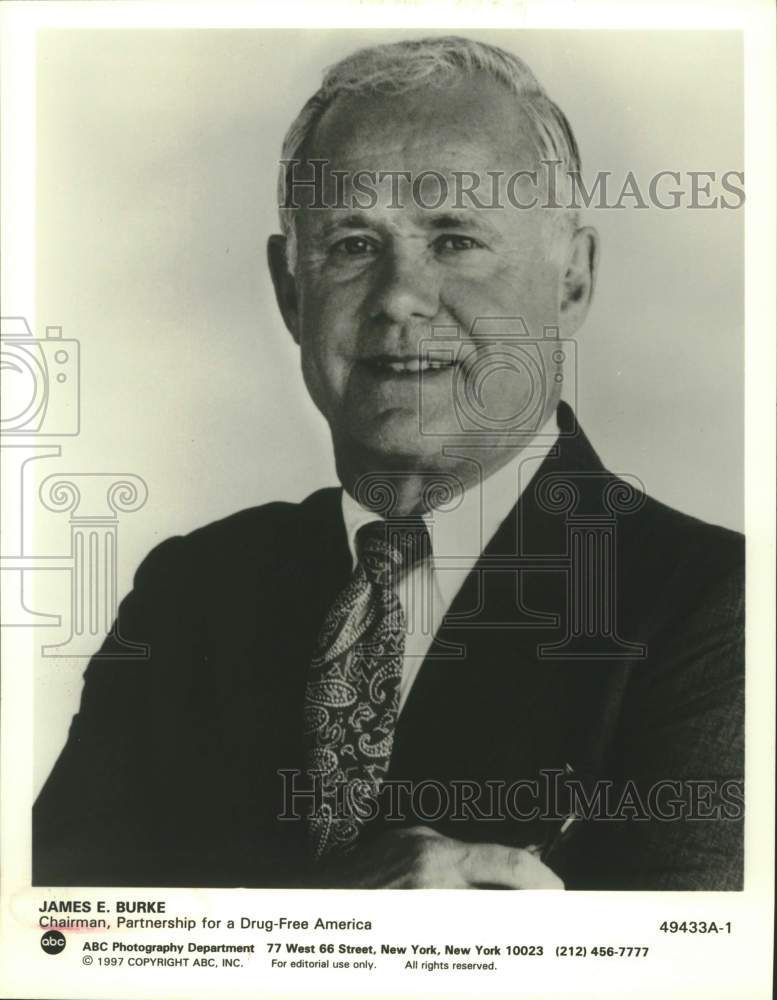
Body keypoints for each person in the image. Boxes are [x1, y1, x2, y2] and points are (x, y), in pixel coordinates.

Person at [33, 36, 744, 890]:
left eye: (453, 239)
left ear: (572, 280)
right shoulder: (191, 593)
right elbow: (57, 937)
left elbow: (698, 966)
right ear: (289, 291)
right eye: (351, 245)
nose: (400, 296)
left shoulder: (718, 606)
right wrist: (346, 918)